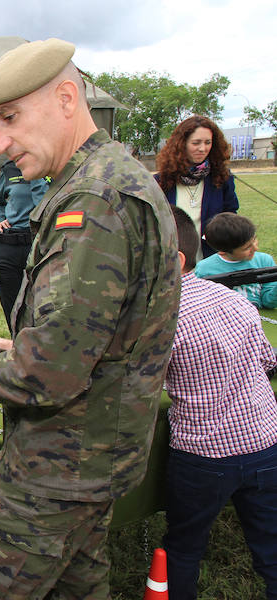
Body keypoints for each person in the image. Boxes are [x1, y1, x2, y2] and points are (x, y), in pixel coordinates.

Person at [0, 38, 181, 598]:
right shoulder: (118, 178)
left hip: (57, 473)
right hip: (93, 459)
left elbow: (46, 375)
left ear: (66, 98)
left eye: (9, 118)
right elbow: (99, 335)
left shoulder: (94, 203)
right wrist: (17, 347)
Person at [163, 206, 277, 599]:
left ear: (173, 260)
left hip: (204, 456)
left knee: (183, 547)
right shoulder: (236, 301)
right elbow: (266, 361)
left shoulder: (159, 316)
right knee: (271, 543)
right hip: (265, 443)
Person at [156, 115, 238, 259]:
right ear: (182, 144)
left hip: (211, 262)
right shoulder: (160, 181)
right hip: (173, 264)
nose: (202, 148)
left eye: (208, 142)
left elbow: (231, 216)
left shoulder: (222, 178)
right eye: (196, 143)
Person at [0, 159, 49, 331]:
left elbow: (43, 206)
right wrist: (0, 219)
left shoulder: (53, 170)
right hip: (9, 246)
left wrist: (36, 174)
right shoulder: (10, 170)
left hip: (38, 244)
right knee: (12, 305)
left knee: (40, 305)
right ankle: (16, 345)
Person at [195, 212, 277, 308]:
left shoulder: (264, 261)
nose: (255, 248)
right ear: (223, 251)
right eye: (247, 248)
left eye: (254, 240)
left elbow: (269, 302)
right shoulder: (204, 269)